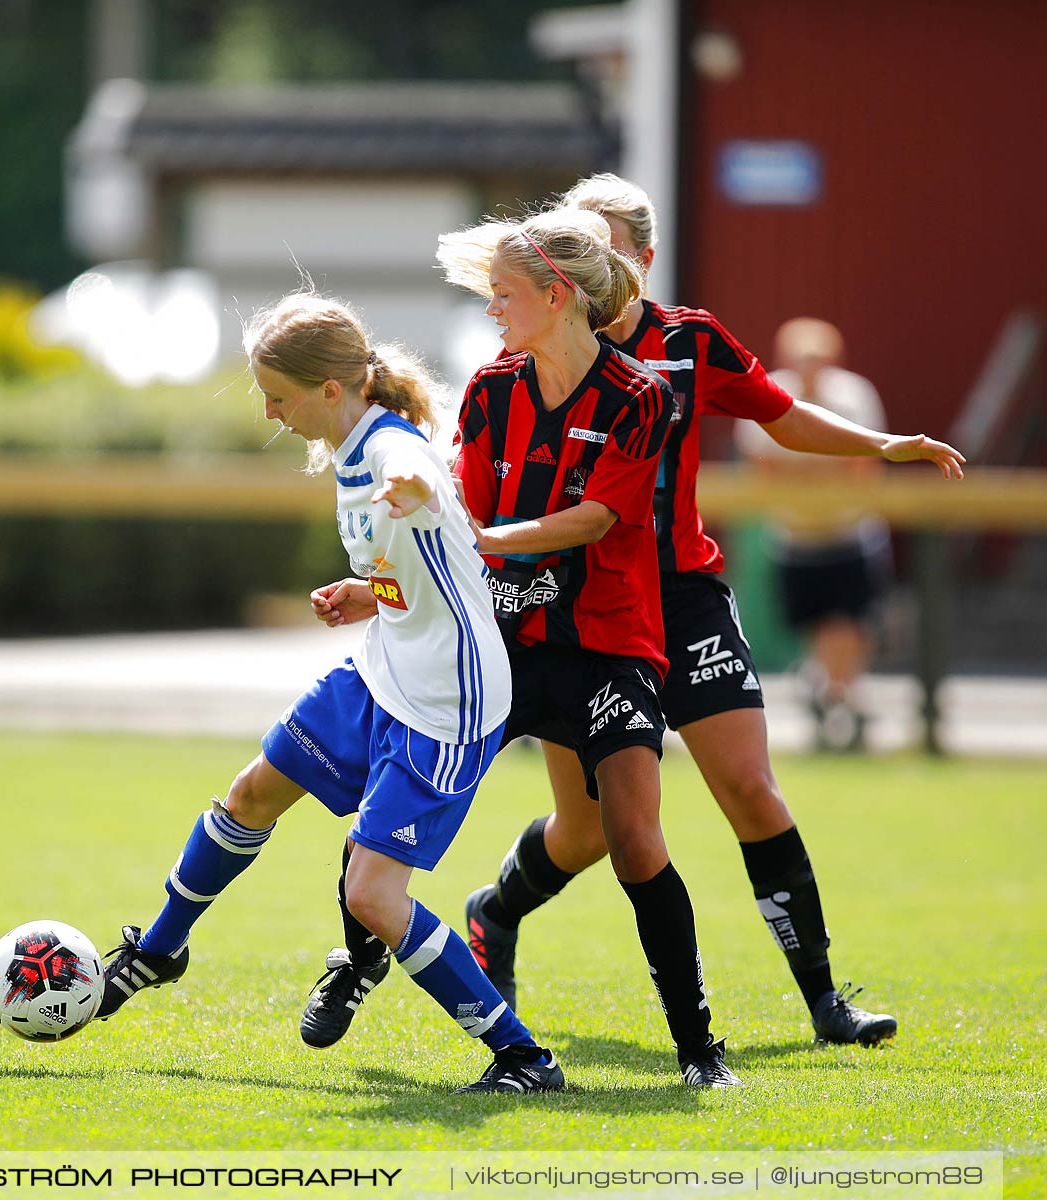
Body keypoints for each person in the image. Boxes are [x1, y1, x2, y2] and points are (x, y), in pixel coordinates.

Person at [328, 176, 964, 1056]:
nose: (584, 261)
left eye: (601, 244)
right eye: (567, 243)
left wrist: (885, 444)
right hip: (560, 601)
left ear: (638, 258)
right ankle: (479, 915)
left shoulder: (683, 345)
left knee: (748, 787)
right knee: (586, 830)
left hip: (676, 594)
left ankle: (825, 999)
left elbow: (780, 417)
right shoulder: (510, 376)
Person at [314, 206, 747, 1086]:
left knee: (632, 837)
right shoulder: (491, 390)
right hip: (500, 639)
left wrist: (487, 540)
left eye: (503, 295)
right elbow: (451, 511)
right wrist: (379, 585)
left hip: (611, 644)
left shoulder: (641, 395)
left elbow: (595, 519)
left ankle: (700, 1049)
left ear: (557, 296)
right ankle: (356, 961)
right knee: (386, 781)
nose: (491, 311)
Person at [91, 293, 562, 1093]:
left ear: (332, 389)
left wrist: (408, 489)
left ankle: (523, 1058)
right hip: (384, 669)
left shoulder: (389, 447)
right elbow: (424, 569)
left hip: (445, 704)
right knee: (251, 793)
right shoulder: (348, 443)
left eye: (278, 394)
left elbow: (413, 476)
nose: (270, 410)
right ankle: (160, 949)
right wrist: (367, 590)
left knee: (374, 897)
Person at [734, 317, 893, 752]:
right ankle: (834, 690)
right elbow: (761, 466)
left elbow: (864, 464)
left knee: (848, 620)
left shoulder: (854, 396)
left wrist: (805, 473)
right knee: (815, 620)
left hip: (849, 530)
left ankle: (838, 691)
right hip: (795, 535)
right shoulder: (765, 393)